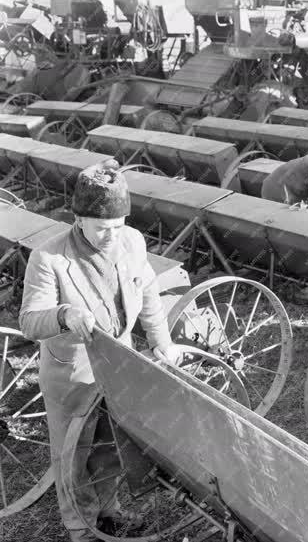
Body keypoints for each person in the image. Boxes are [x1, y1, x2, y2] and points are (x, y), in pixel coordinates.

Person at [20, 164, 181, 542]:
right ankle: (82, 528)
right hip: (71, 373)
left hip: (117, 365)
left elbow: (148, 292)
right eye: (101, 228)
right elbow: (29, 321)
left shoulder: (132, 241)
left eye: (118, 225)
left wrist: (160, 339)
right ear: (78, 220)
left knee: (111, 444)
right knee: (73, 456)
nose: (111, 236)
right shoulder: (49, 258)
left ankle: (110, 513)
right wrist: (63, 314)